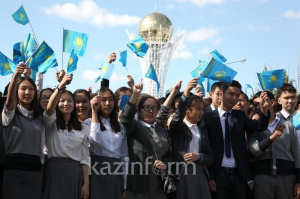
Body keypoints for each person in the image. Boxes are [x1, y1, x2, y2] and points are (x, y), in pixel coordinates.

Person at [202, 80, 270, 199]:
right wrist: (211, 176)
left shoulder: (240, 116)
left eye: (238, 95)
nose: (235, 98)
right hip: (218, 174)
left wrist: (264, 111)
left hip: (239, 174)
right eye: (231, 94)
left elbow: (259, 126)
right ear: (221, 94)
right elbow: (204, 147)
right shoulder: (208, 117)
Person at [120, 80, 176, 199]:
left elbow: (169, 156)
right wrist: (135, 94)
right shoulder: (135, 127)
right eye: (147, 107)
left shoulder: (162, 130)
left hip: (159, 184)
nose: (151, 111)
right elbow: (125, 118)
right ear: (139, 110)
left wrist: (165, 165)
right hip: (138, 184)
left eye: (155, 108)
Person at [2, 63, 44, 199]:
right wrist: (15, 76)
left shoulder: (39, 117)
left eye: (31, 89)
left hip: (35, 172)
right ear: (16, 91)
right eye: (23, 88)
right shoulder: (10, 114)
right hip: (14, 172)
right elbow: (9, 103)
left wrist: (29, 76)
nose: (27, 92)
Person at [247, 90, 300, 199]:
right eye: (257, 104)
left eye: (263, 102)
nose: (260, 106)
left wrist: (298, 181)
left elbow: (296, 155)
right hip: (263, 177)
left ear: (272, 102)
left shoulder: (288, 125)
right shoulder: (253, 126)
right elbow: (255, 151)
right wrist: (272, 137)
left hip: (287, 177)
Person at [44, 74, 89, 199]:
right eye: (62, 100)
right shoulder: (50, 123)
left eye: (70, 100)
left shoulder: (83, 128)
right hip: (54, 170)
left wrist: (86, 183)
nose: (66, 103)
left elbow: (85, 158)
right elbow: (49, 109)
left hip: (75, 171)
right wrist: (60, 87)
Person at [168, 78, 214, 199]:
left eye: (202, 109)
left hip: (200, 174)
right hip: (182, 174)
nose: (201, 112)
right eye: (198, 108)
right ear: (187, 110)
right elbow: (177, 117)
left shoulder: (202, 131)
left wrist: (199, 156)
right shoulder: (178, 128)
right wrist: (186, 92)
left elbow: (211, 157)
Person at [89, 88, 128, 199]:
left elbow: (124, 156)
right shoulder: (88, 123)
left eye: (111, 100)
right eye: (103, 100)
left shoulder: (119, 126)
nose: (107, 103)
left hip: (116, 172)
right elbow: (94, 140)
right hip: (96, 171)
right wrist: (94, 112)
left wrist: (125, 186)